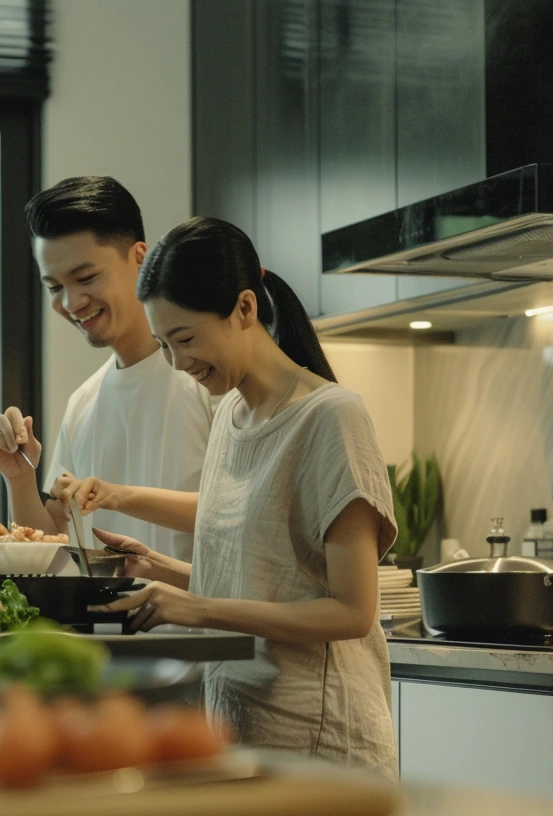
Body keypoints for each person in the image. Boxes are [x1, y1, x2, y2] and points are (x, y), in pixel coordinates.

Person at [85, 216, 399, 779]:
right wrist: (154, 566)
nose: (179, 364)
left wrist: (197, 607)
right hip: (241, 728)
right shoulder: (231, 414)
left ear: (245, 310)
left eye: (185, 339)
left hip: (322, 743)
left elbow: (353, 611)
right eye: (164, 345)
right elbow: (259, 573)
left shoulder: (332, 417)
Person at [0, 176, 213, 562]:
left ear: (141, 258)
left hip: (208, 623)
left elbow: (246, 515)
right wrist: (20, 477)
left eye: (85, 278)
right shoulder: (83, 402)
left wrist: (119, 496)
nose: (70, 302)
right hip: (106, 624)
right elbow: (52, 548)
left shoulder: (207, 375)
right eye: (54, 287)